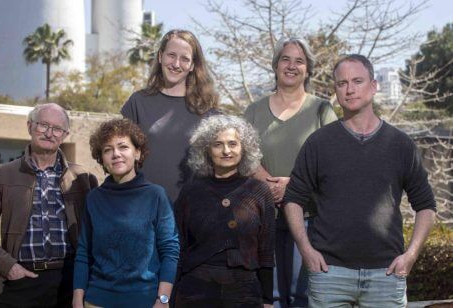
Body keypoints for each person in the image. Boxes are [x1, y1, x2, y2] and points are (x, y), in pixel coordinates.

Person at [283, 54, 436, 308]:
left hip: (385, 275)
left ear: (374, 86)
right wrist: (306, 251)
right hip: (329, 274)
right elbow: (293, 199)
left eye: (357, 81)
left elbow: (426, 206)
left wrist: (410, 256)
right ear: (336, 91)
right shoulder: (319, 143)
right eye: (342, 83)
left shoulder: (400, 144)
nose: (350, 89)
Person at [0, 103, 98, 307]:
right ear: (29, 127)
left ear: (65, 135)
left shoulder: (82, 178)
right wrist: (8, 266)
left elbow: (98, 230)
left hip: (72, 282)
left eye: (57, 129)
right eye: (43, 125)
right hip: (21, 283)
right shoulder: (2, 175)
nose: (49, 133)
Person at [244, 37, 337, 307]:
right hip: (264, 217)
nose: (292, 65)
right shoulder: (254, 110)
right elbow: (242, 154)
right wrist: (269, 184)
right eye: (286, 59)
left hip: (308, 217)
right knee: (270, 296)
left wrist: (293, 186)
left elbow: (330, 159)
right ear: (275, 65)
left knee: (302, 295)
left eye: (300, 61)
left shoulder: (321, 109)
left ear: (308, 69)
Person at [72, 118, 179, 308]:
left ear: (137, 153)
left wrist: (163, 300)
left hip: (145, 302)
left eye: (123, 147)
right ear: (102, 159)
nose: (116, 154)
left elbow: (170, 252)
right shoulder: (94, 198)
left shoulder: (156, 196)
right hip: (96, 301)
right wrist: (77, 298)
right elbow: (83, 252)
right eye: (107, 150)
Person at [174, 115, 275, 307]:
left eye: (233, 144)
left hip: (245, 291)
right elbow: (178, 246)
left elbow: (266, 250)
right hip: (195, 289)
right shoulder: (190, 192)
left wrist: (268, 300)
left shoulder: (259, 191)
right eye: (218, 144)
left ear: (244, 148)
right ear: (207, 150)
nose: (226, 150)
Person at [121, 29, 219, 202]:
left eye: (185, 59)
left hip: (192, 209)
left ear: (192, 65)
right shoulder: (138, 102)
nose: (176, 63)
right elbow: (122, 156)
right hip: (145, 206)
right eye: (171, 55)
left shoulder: (208, 111)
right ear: (160, 57)